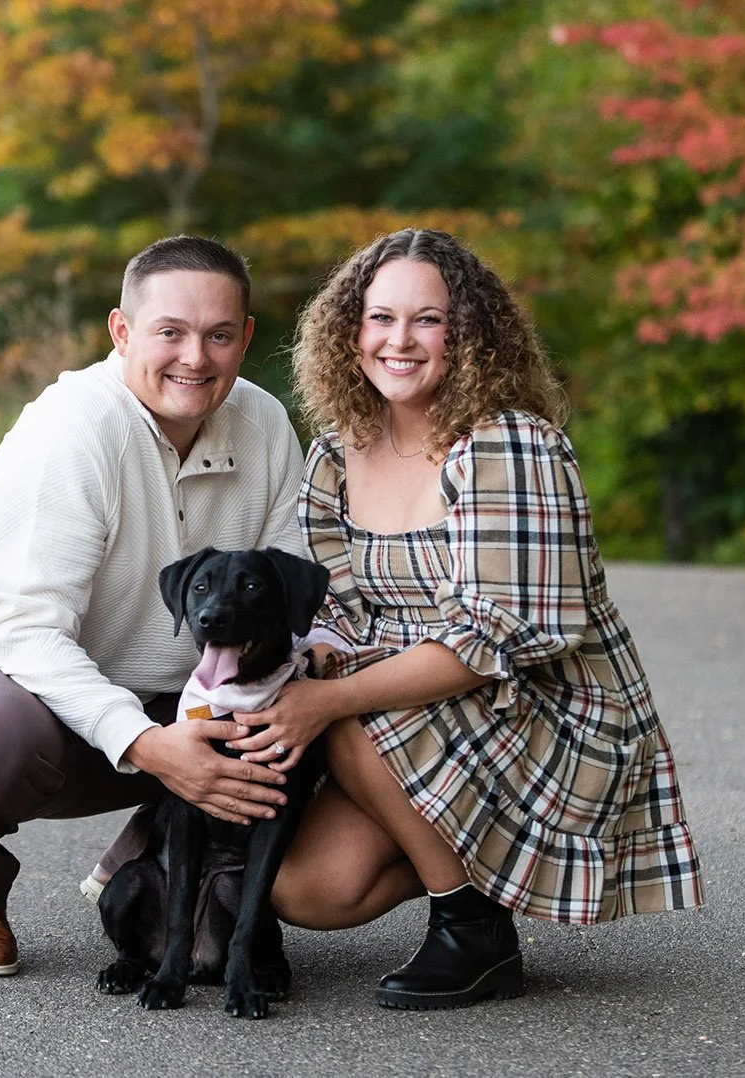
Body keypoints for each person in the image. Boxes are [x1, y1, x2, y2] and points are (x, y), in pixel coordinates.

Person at [226, 228, 704, 1010]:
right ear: (350, 330)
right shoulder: (338, 454)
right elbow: (340, 618)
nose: (399, 341)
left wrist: (334, 695)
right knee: (309, 892)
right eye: (380, 318)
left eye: (429, 320)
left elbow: (503, 635)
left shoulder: (509, 446)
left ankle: (472, 925)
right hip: (415, 705)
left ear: (470, 334)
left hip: (546, 705)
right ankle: (496, 859)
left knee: (340, 711)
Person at [0, 236, 308, 977]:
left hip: (182, 696)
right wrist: (148, 746)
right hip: (0, 681)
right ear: (122, 331)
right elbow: (24, 632)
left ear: (245, 334)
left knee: (312, 711)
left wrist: (313, 682)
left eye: (219, 334)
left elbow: (298, 576)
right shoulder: (74, 427)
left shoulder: (263, 422)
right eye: (170, 332)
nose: (196, 358)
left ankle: (148, 862)